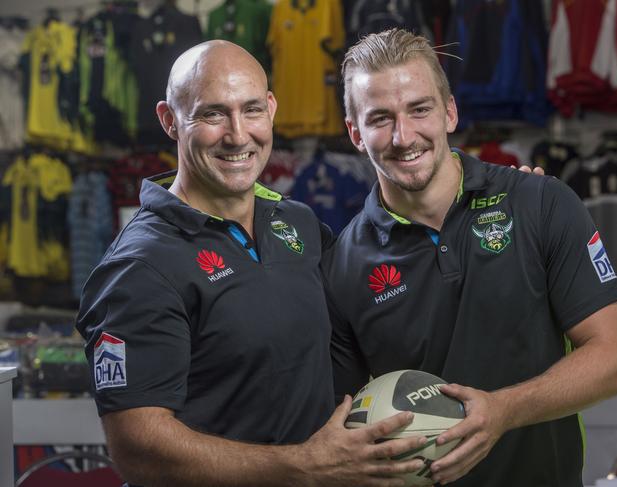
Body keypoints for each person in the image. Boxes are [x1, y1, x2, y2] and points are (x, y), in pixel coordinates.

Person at [75, 40, 430, 487]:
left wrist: (506, 212)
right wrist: (306, 466)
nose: (239, 135)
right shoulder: (139, 266)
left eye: (252, 110)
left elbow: (382, 291)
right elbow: (139, 448)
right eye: (212, 114)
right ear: (169, 120)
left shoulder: (296, 222)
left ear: (272, 108)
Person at [321, 28, 617, 487]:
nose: (403, 135)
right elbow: (346, 427)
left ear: (449, 111)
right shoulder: (342, 265)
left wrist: (504, 411)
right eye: (379, 119)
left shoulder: (540, 203)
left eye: (419, 109)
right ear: (354, 132)